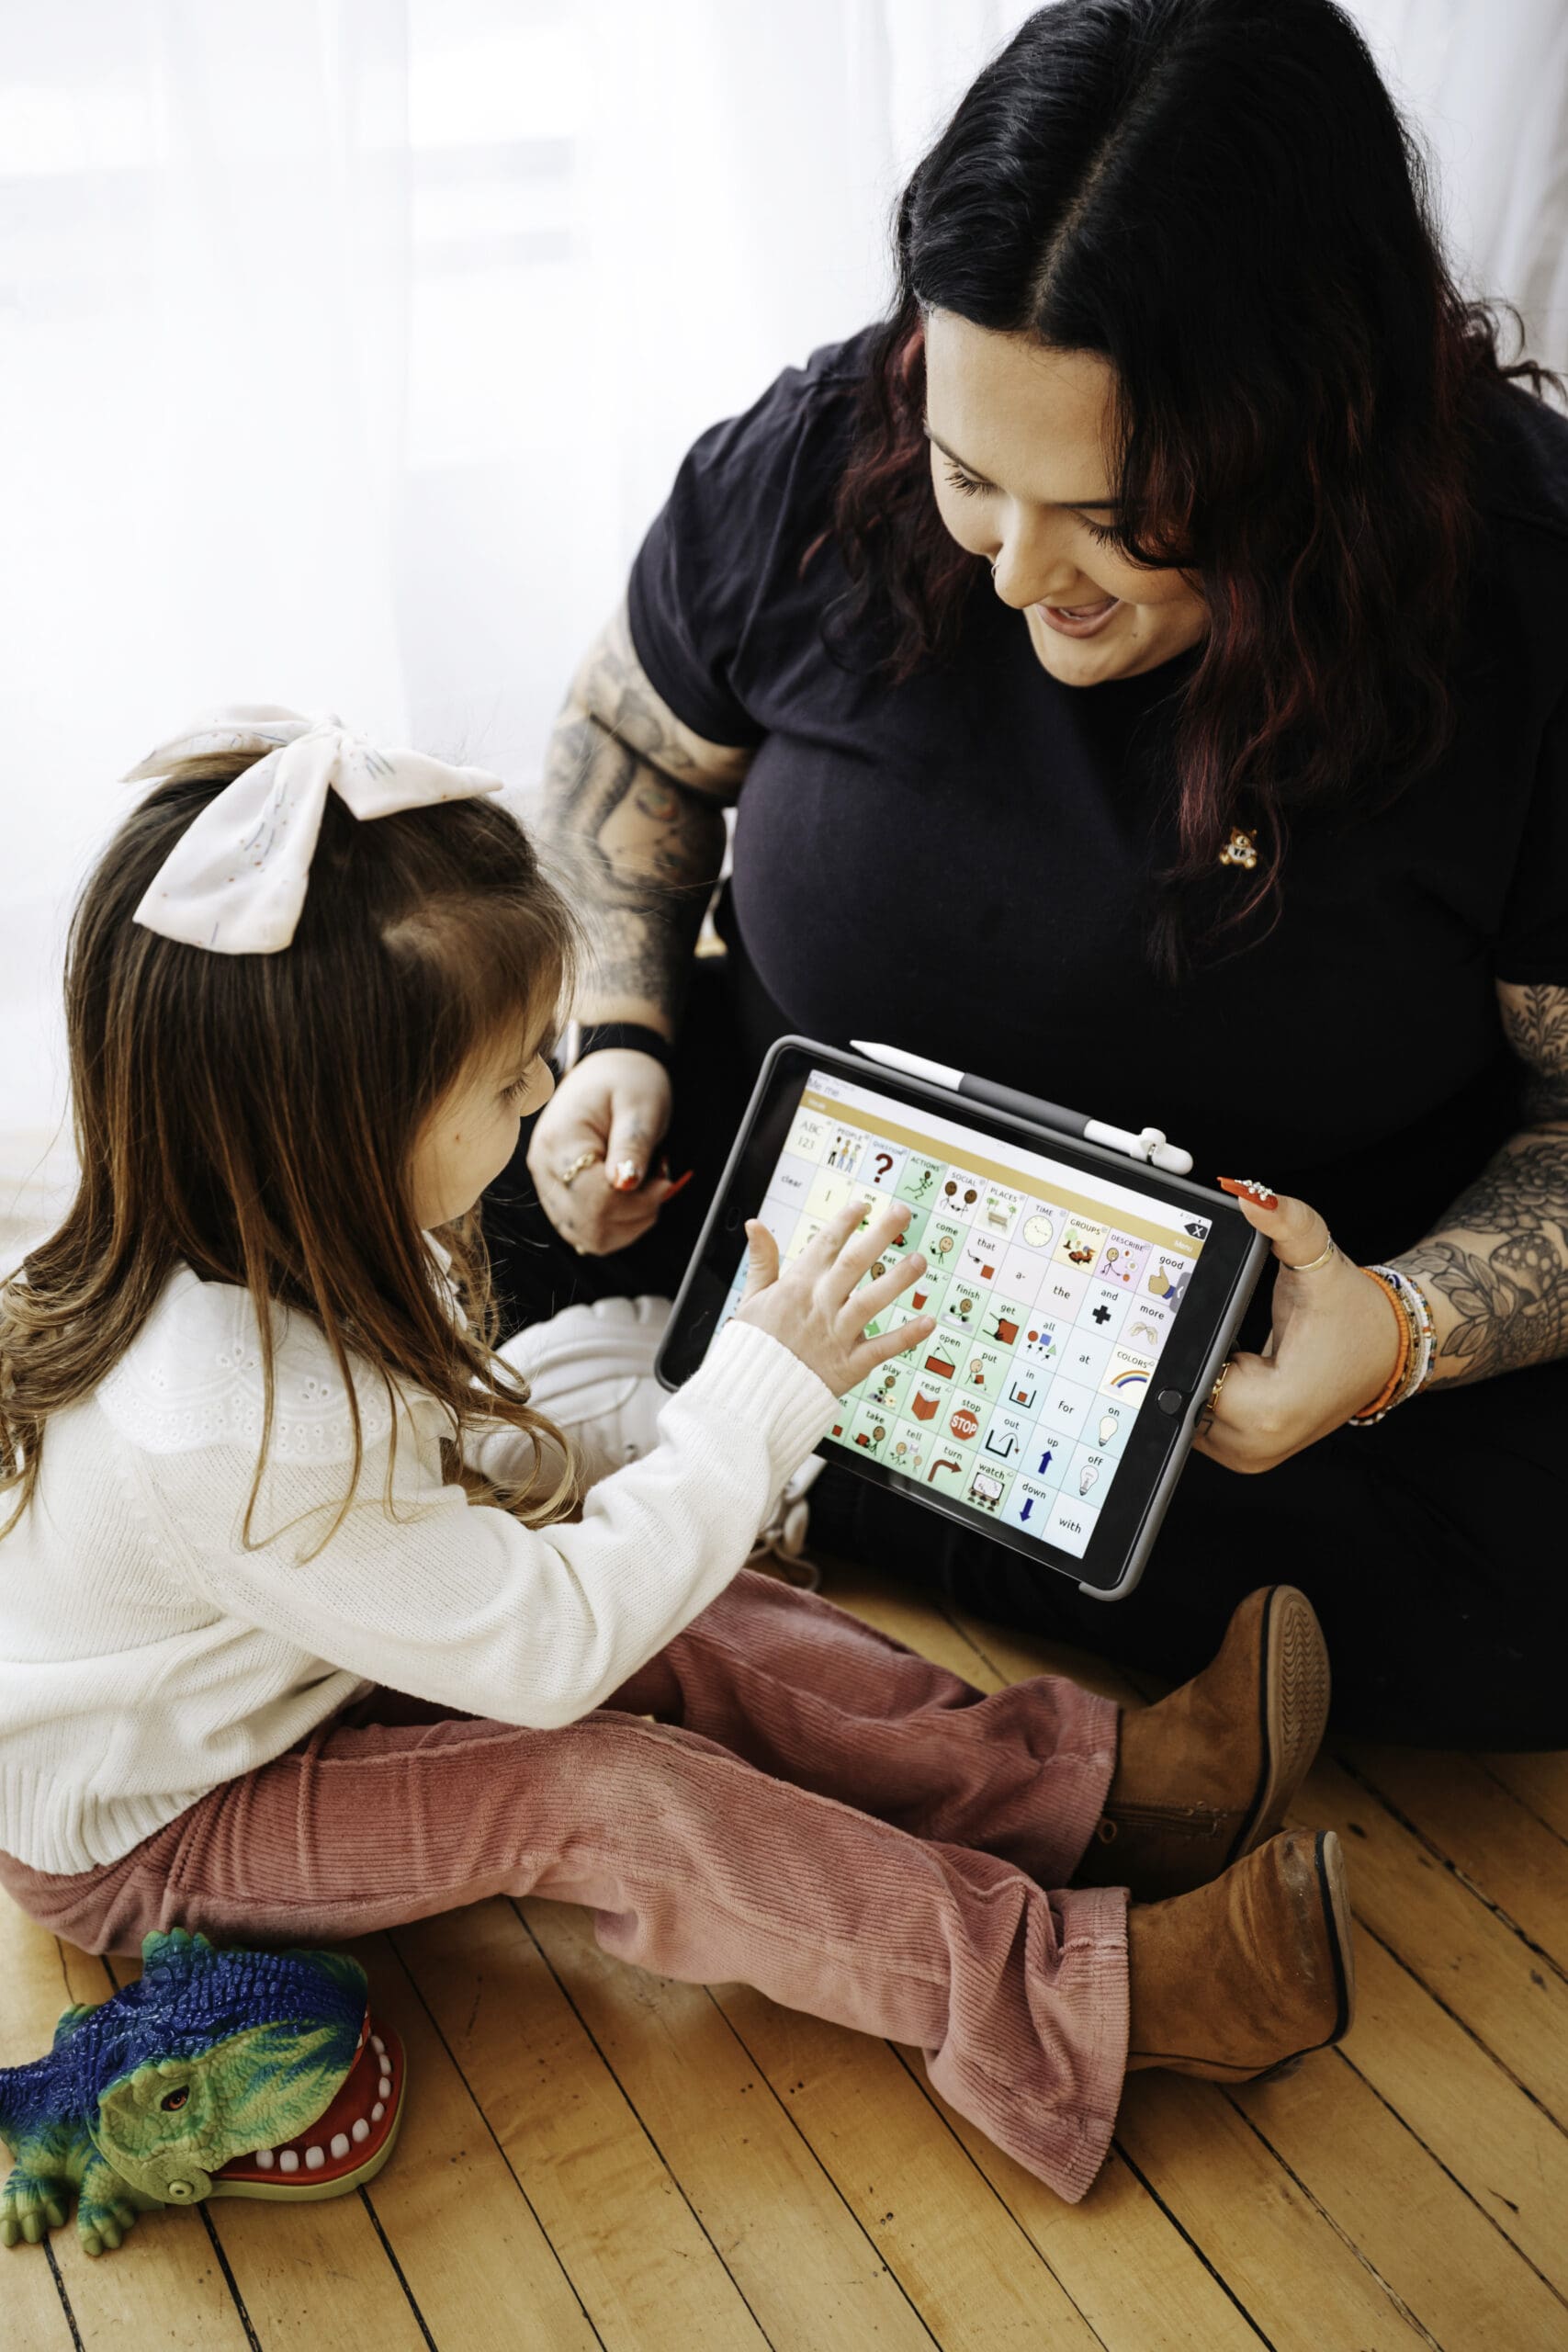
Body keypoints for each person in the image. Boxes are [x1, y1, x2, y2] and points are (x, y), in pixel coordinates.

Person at [0, 709, 1352, 2211]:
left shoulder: (233, 1219)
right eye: (513, 1077)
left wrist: (656, 1459)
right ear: (340, 1127)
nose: (538, 1097)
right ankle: (1082, 2001)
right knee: (602, 1791)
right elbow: (553, 1655)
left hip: (265, 1664)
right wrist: (749, 1404)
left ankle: (1096, 1792)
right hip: (164, 1820)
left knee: (692, 1605)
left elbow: (461, 1499)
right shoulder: (240, 1422)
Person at [492, 0, 1568, 1748]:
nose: (1016, 576)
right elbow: (626, 758)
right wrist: (613, 1030)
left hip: (1239, 1344)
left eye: (1121, 512)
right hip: (764, 1190)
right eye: (973, 477)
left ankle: (740, 1473)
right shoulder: (829, 443)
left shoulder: (1523, 602)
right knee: (319, 1189)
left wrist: (1400, 1331)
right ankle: (785, 1462)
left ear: (1319, 434)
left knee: (1527, 1591)